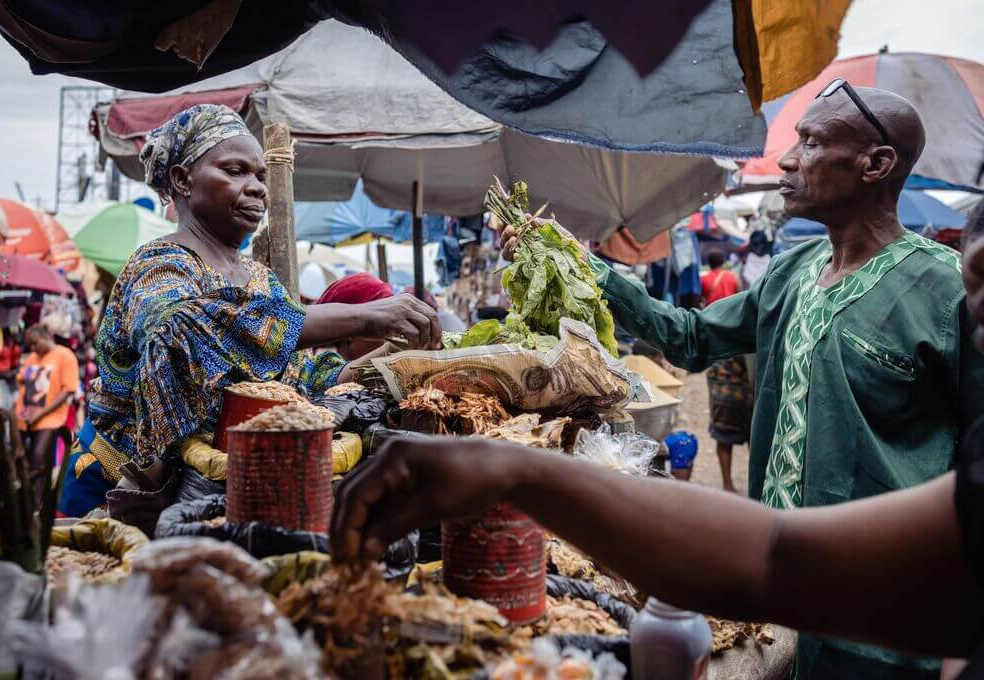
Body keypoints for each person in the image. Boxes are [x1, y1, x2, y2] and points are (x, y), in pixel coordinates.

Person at [499, 84, 984, 678]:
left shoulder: (948, 289)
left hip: (885, 624)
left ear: (876, 164)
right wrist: (582, 266)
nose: (786, 160)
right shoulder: (791, 272)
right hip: (777, 603)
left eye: (809, 142)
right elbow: (689, 337)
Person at [59, 104, 440, 517]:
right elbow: (183, 329)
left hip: (210, 487)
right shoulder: (159, 265)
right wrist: (365, 316)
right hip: (122, 487)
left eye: (260, 174)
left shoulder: (260, 279)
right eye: (235, 170)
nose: (258, 186)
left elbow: (300, 379)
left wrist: (398, 356)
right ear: (182, 180)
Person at [700, 250, 749, 492]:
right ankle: (756, 481)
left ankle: (728, 484)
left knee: (722, 435)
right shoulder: (732, 278)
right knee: (754, 436)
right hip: (734, 325)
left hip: (714, 329)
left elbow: (699, 299)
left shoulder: (705, 279)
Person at [15, 324, 78, 482]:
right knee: (21, 461)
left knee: (39, 460)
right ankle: (26, 502)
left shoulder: (65, 355)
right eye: (29, 344)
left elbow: (68, 389)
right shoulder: (31, 358)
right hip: (25, 418)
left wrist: (40, 414)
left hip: (50, 418)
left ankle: (38, 504)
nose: (33, 348)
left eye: (35, 343)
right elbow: (22, 380)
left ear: (46, 338)